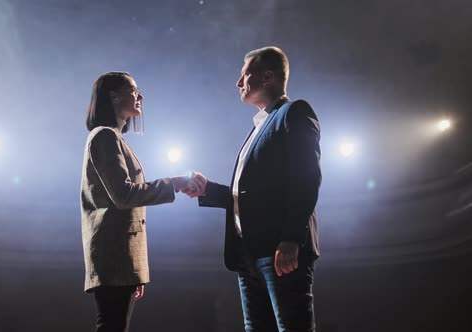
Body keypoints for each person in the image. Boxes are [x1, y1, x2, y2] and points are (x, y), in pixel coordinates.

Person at [191, 46, 321, 331]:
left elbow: (307, 178)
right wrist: (207, 191)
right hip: (249, 254)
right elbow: (254, 194)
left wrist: (290, 239)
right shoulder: (259, 126)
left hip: (279, 250)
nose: (238, 83)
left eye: (244, 75)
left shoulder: (294, 112)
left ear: (267, 77)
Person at [80, 72, 202, 332]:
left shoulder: (113, 137)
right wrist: (175, 183)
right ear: (113, 96)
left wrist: (135, 265)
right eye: (133, 90)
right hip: (113, 255)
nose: (140, 96)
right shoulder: (105, 136)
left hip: (119, 258)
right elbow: (124, 195)